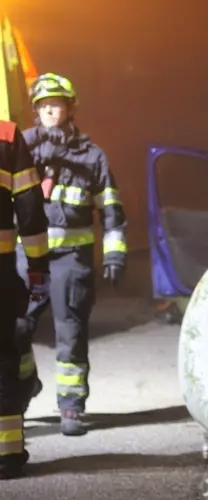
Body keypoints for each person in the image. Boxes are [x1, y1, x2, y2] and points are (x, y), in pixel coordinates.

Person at [17, 72, 127, 436]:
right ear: (37, 110)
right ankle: (21, 390)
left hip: (71, 260)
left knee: (71, 333)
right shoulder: (21, 149)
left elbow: (111, 210)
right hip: (28, 257)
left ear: (69, 109)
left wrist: (114, 255)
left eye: (57, 105)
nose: (51, 111)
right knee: (14, 331)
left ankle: (71, 407)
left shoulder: (92, 156)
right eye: (44, 106)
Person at [0, 118, 50, 478]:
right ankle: (7, 455)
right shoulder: (5, 136)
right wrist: (38, 268)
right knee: (4, 359)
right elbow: (30, 207)